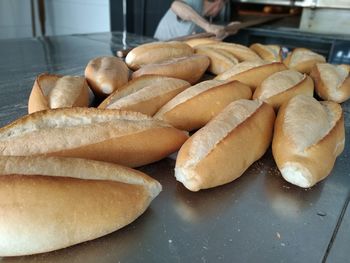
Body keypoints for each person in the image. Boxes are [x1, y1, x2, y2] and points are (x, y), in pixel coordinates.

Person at [154, 0, 240, 41]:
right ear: (218, 3)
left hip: (178, 50)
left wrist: (226, 30)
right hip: (159, 45)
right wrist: (208, 26)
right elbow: (176, 5)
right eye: (223, 6)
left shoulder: (207, 18)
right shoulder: (196, 1)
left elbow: (202, 38)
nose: (221, 10)